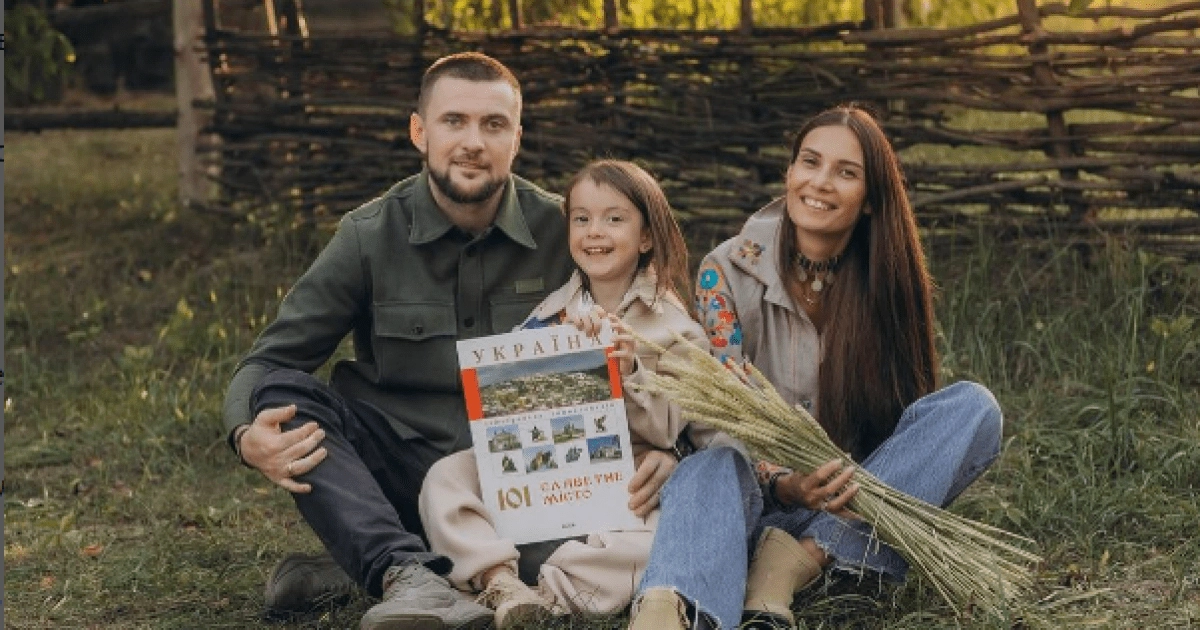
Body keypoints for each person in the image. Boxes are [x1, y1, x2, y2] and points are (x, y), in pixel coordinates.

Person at [221, 52, 576, 630]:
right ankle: (406, 575)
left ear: (517, 138)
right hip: (401, 472)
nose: (472, 142)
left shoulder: (566, 231)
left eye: (493, 125)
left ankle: (372, 560)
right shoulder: (369, 235)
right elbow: (271, 360)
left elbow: (646, 340)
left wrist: (661, 453)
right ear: (419, 131)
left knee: (558, 564)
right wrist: (245, 435)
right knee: (284, 395)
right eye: (453, 121)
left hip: (524, 478)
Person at [627, 105, 1004, 630]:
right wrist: (785, 483)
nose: (820, 183)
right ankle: (672, 611)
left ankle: (791, 567)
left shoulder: (887, 277)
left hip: (850, 501)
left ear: (870, 199)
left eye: (846, 173)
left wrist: (841, 488)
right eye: (810, 162)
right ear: (790, 172)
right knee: (704, 468)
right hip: (753, 498)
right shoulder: (726, 272)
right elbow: (722, 420)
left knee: (974, 409)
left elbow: (903, 418)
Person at [418, 159, 725, 628]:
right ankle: (498, 578)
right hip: (542, 473)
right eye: (581, 218)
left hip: (623, 487)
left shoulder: (675, 329)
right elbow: (511, 412)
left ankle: (548, 595)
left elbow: (666, 429)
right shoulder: (550, 315)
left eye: (614, 218)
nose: (594, 231)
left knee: (657, 543)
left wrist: (626, 371)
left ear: (646, 237)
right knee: (445, 477)